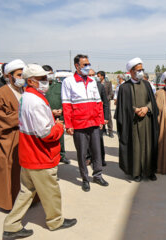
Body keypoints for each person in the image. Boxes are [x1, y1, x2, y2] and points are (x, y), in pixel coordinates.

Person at [3, 64, 77, 239]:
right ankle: (55, 221)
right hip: (40, 156)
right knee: (51, 192)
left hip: (29, 155)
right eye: (43, 79)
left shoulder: (27, 97)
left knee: (26, 192)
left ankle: (11, 225)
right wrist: (59, 127)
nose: (47, 82)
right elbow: (45, 133)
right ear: (31, 81)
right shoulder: (35, 101)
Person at [62, 54, 108, 192]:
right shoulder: (68, 82)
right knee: (82, 153)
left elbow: (98, 102)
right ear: (77, 66)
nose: (88, 67)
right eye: (85, 65)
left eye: (89, 64)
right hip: (79, 124)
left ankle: (98, 175)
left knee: (96, 151)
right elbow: (66, 105)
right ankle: (85, 178)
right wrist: (69, 125)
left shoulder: (93, 81)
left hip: (94, 122)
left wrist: (100, 120)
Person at [115, 57, 159, 182]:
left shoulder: (147, 85)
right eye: (138, 70)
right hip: (132, 123)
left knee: (149, 146)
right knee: (136, 147)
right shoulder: (124, 88)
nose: (141, 72)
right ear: (131, 72)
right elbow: (122, 108)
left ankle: (150, 171)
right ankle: (136, 173)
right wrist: (134, 109)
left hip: (147, 122)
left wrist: (147, 108)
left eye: (142, 70)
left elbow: (153, 102)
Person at [0, 59, 25, 211]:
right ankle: (9, 203)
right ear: (9, 76)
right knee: (9, 171)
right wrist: (23, 116)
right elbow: (0, 119)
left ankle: (27, 200)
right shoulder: (0, 93)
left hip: (25, 138)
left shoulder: (24, 91)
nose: (22, 78)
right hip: (10, 139)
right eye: (19, 75)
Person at [44, 65, 69, 164]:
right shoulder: (42, 87)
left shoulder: (59, 85)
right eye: (47, 74)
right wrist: (51, 111)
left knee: (60, 137)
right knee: (48, 137)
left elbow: (65, 99)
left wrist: (62, 110)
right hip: (46, 117)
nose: (50, 76)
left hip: (59, 116)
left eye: (51, 73)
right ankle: (50, 156)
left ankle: (62, 155)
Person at [89, 69, 109, 167]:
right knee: (88, 140)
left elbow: (106, 103)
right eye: (90, 75)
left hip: (99, 118)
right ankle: (89, 158)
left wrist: (106, 117)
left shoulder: (100, 86)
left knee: (99, 139)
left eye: (93, 74)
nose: (92, 76)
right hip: (88, 119)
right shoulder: (83, 86)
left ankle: (101, 158)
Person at [98, 71, 114, 138]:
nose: (97, 77)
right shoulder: (97, 84)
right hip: (99, 103)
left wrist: (105, 100)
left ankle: (110, 131)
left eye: (98, 76)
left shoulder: (108, 83)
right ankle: (103, 130)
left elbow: (111, 93)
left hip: (106, 103)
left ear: (102, 76)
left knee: (108, 117)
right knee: (100, 116)